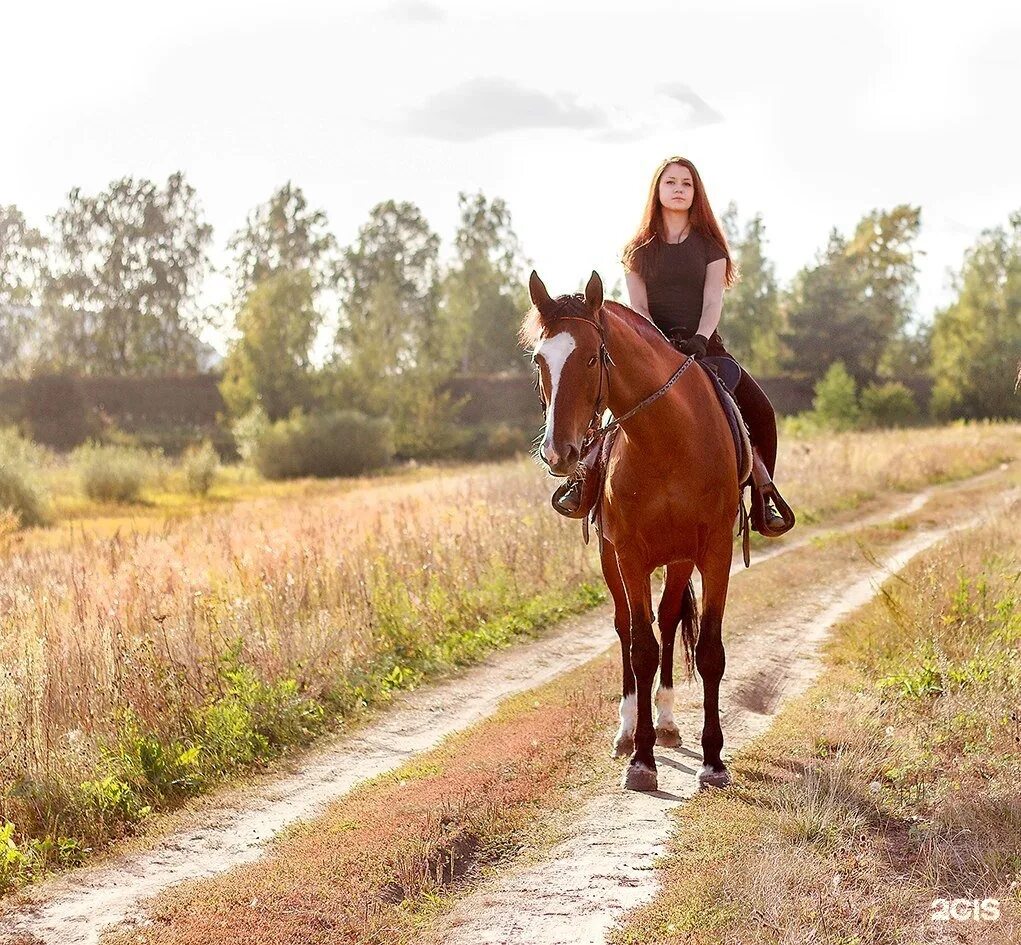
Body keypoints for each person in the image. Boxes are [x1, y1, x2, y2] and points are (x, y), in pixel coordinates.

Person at [619, 155, 793, 536]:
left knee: (761, 412)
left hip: (704, 347)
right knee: (604, 400)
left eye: (686, 183)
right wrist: (660, 344)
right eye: (671, 182)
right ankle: (581, 481)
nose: (678, 189)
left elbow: (714, 299)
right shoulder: (637, 250)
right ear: (657, 190)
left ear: (695, 193)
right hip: (652, 347)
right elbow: (639, 307)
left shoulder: (710, 246)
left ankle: (763, 496)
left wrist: (698, 338)